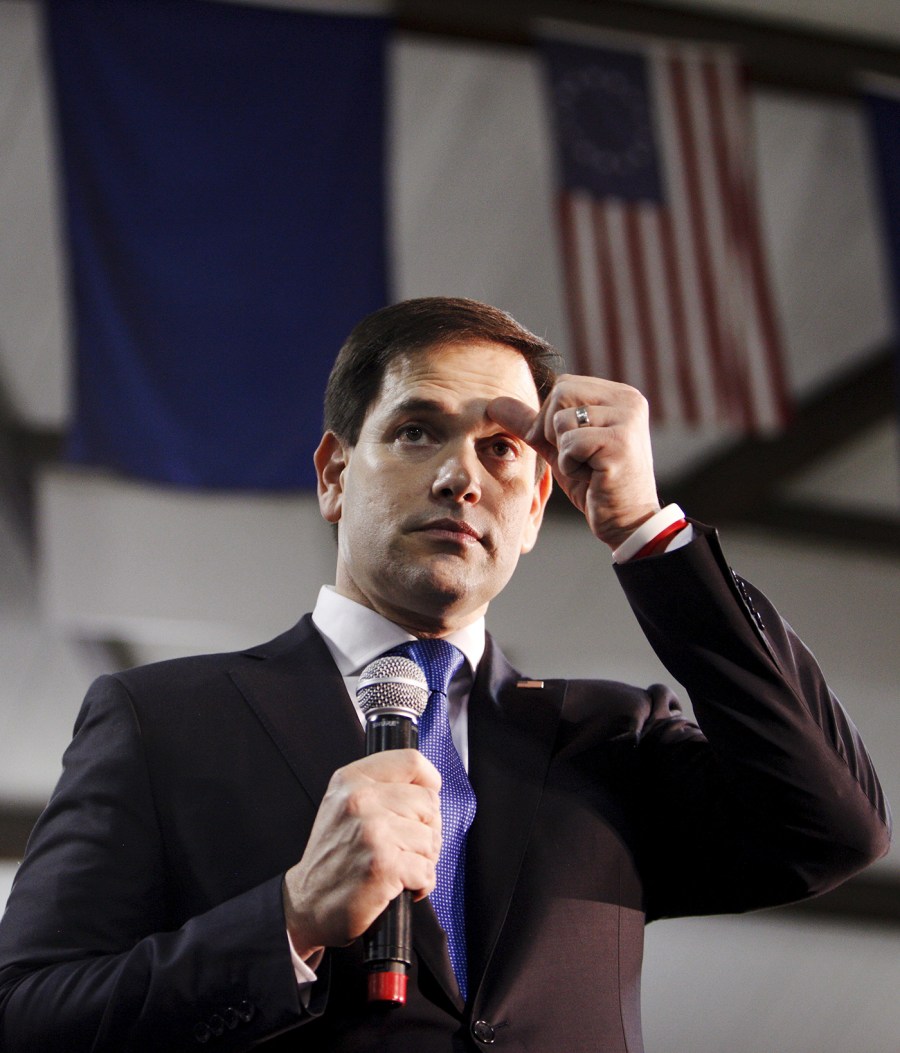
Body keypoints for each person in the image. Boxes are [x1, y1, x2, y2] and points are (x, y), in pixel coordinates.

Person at [0, 297, 890, 1052]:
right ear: (334, 474)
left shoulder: (610, 743)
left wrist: (647, 530)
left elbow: (833, 825)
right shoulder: (162, 719)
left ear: (536, 507)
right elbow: (27, 1015)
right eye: (417, 430)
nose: (461, 475)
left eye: (502, 448)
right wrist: (289, 919)